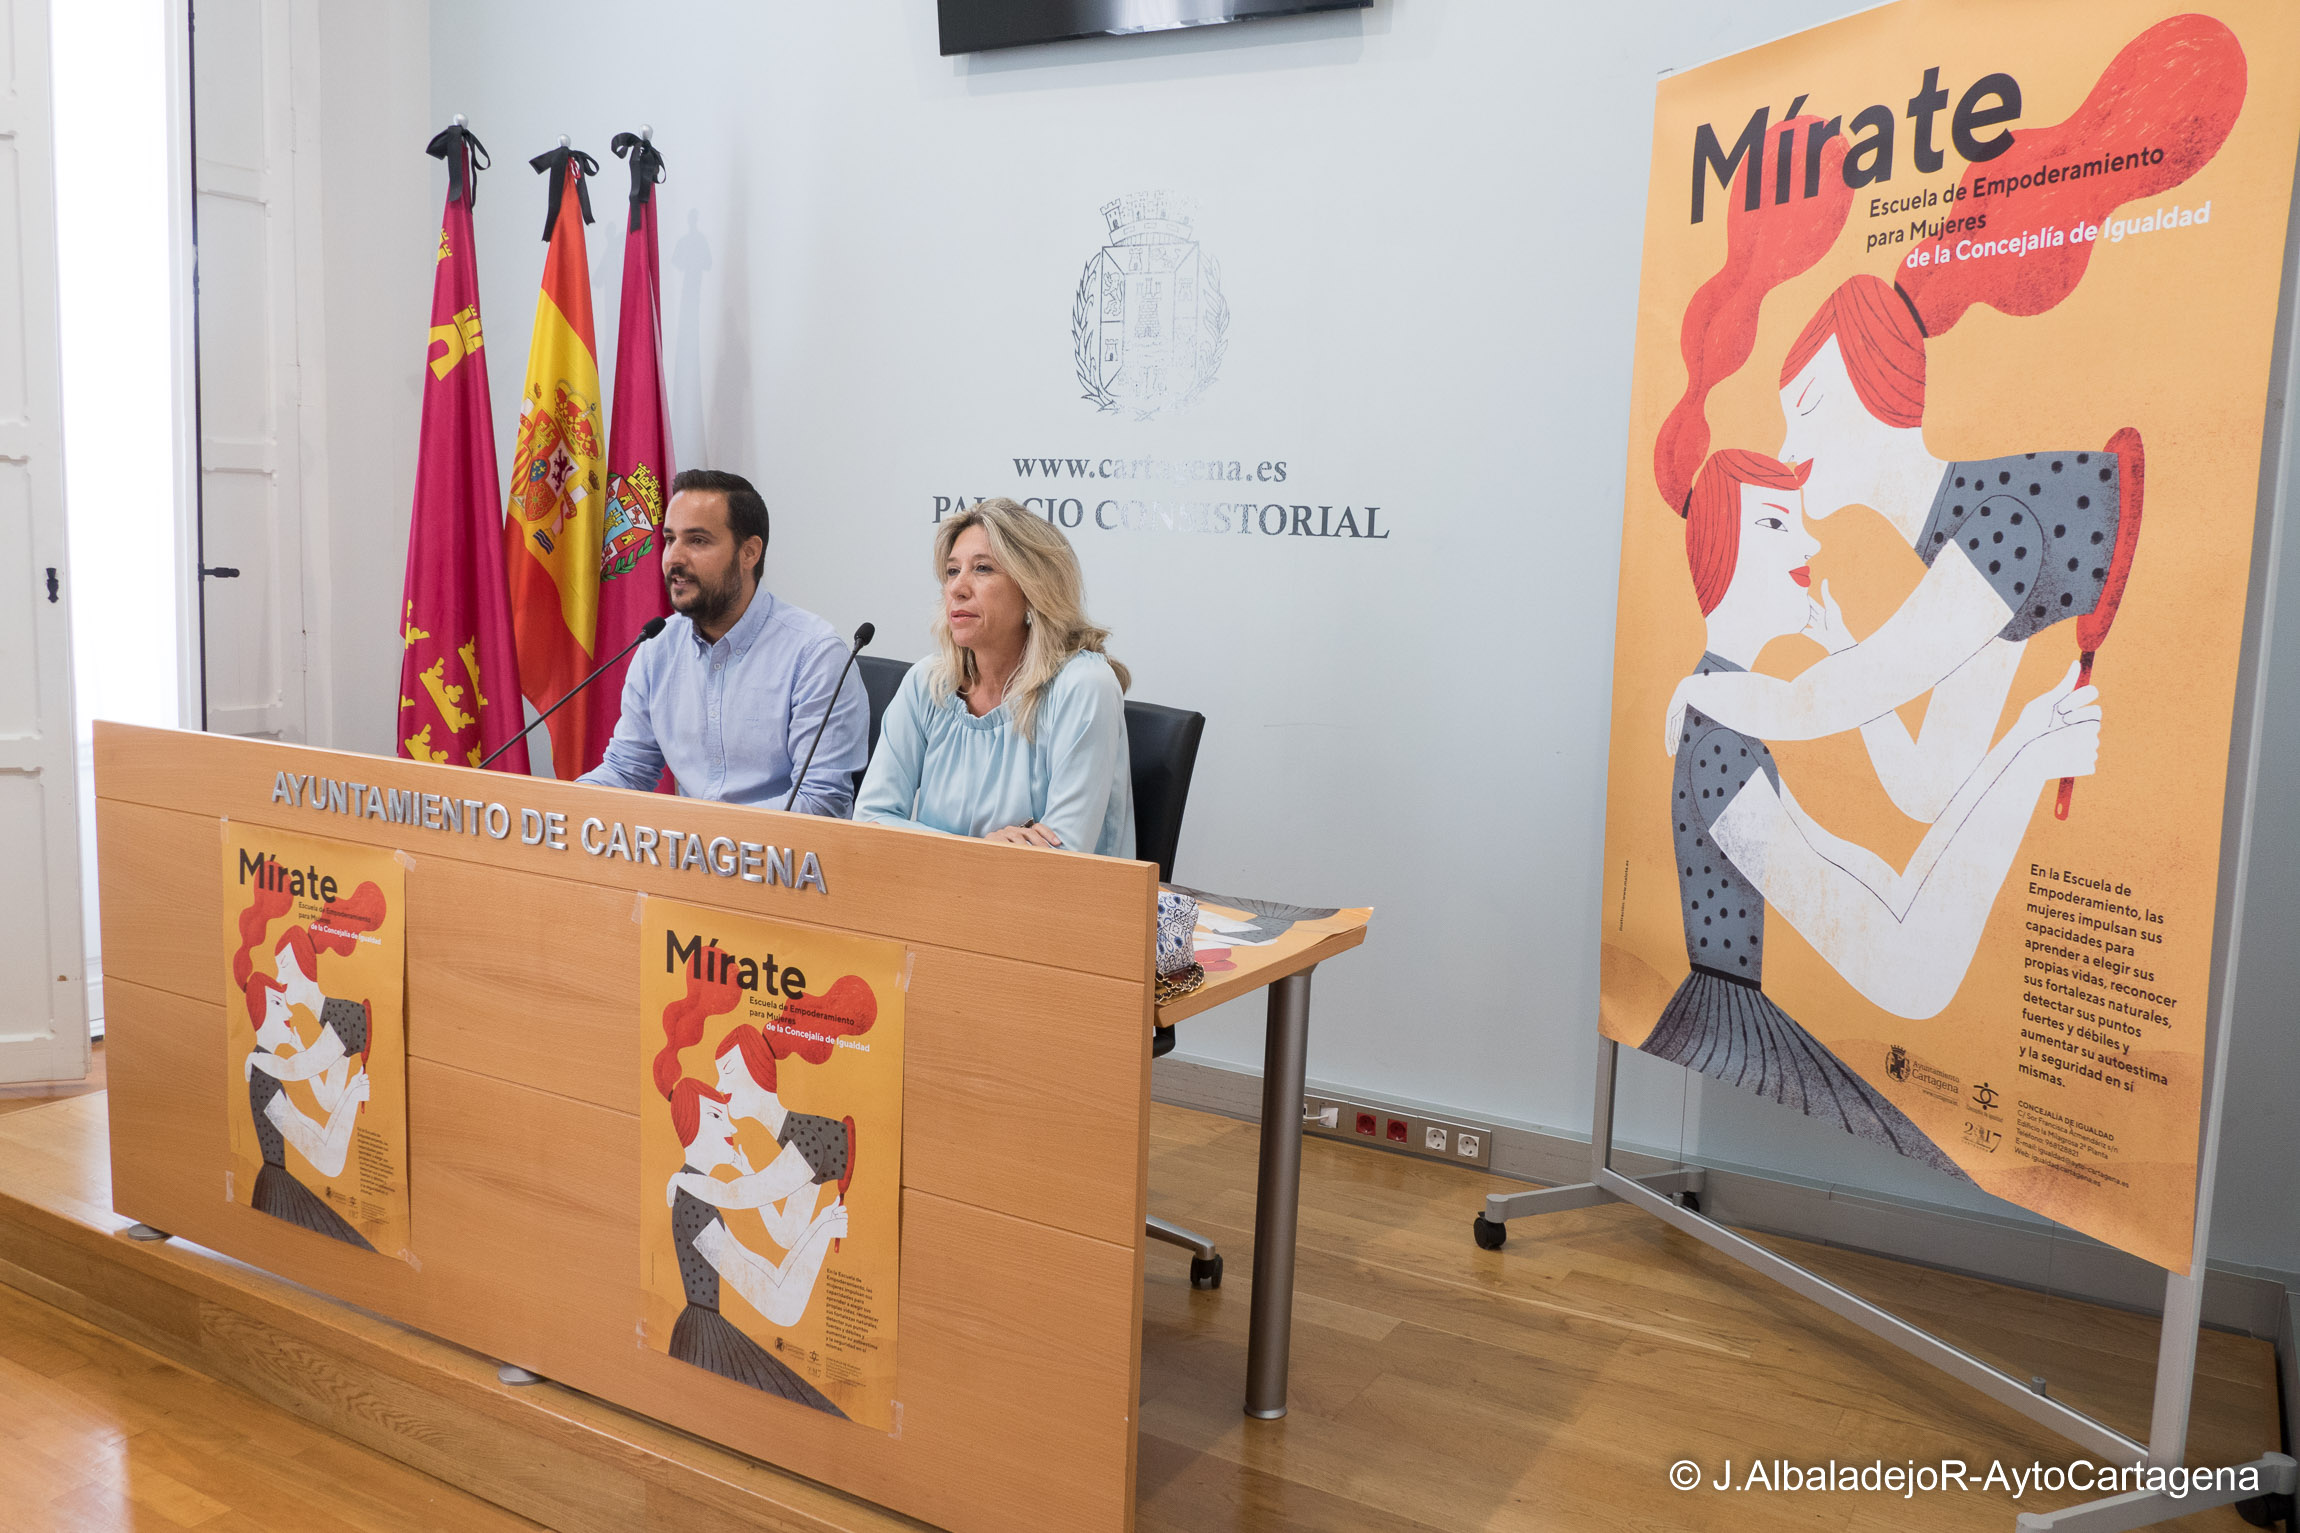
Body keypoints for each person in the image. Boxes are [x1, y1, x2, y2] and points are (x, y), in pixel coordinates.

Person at [1644, 447, 2101, 1173]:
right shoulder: (1720, 741)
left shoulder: (1726, 711)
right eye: (1775, 523)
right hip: (1733, 1019)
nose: (1810, 543)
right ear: (1721, 546)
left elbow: (1884, 867)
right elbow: (1905, 964)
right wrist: (2025, 757)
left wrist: (2020, 753)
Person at [855, 499, 1135, 856]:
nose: (957, 588)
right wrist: (981, 850)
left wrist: (931, 845)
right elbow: (870, 820)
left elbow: (1063, 859)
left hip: (1058, 907)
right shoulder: (927, 683)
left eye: (983, 569)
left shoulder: (1084, 686)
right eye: (952, 571)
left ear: (1033, 588)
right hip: (937, 901)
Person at [581, 469, 867, 815]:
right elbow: (627, 771)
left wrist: (702, 835)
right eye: (670, 539)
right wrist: (561, 808)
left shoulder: (815, 655)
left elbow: (822, 805)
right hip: (687, 856)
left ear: (749, 553)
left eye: (697, 541)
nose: (674, 557)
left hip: (779, 861)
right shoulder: (658, 646)